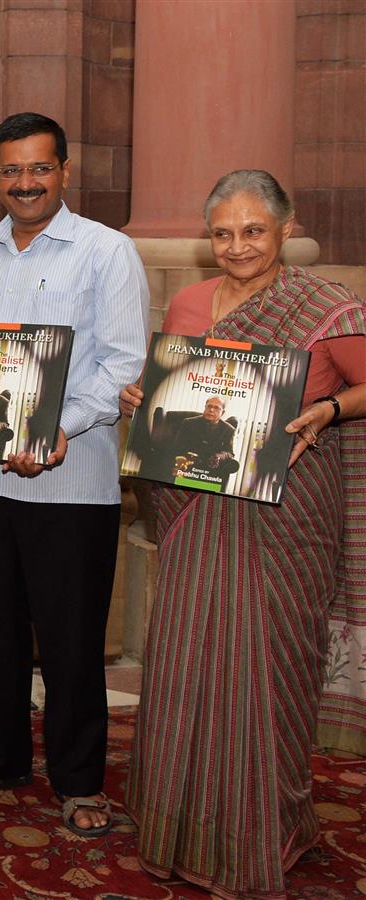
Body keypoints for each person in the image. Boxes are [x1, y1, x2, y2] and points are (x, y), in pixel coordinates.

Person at [120, 169, 366, 897]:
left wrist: (330, 410)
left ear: (287, 230)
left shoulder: (327, 305)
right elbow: (181, 394)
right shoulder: (192, 302)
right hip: (199, 508)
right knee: (189, 658)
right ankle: (182, 830)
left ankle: (269, 828)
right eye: (223, 232)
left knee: (271, 666)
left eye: (254, 230)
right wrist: (145, 395)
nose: (238, 246)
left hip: (285, 513)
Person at [0, 113, 147, 837]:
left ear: (64, 170)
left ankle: (80, 780)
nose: (25, 183)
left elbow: (122, 364)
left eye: (39, 169)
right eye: (11, 171)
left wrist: (60, 427)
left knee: (71, 636)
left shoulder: (106, 253)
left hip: (72, 481)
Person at [172, 395, 237, 475]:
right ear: (205, 407)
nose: (211, 410)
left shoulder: (229, 430)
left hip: (211, 467)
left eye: (216, 408)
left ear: (222, 412)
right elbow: (178, 445)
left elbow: (230, 453)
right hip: (188, 464)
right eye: (209, 406)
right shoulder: (188, 423)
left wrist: (219, 456)